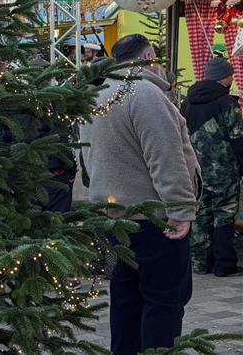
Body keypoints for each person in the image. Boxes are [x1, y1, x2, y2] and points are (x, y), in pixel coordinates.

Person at [79, 34, 200, 354]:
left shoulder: (97, 94)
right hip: (153, 220)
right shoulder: (144, 93)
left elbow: (87, 159)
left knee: (126, 300)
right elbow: (165, 155)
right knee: (164, 301)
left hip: (115, 218)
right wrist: (180, 210)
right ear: (148, 55)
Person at [180, 56, 243, 277]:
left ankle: (199, 264)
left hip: (195, 172)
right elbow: (238, 139)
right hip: (224, 172)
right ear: (225, 78)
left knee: (200, 216)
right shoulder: (228, 104)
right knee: (224, 217)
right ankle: (224, 266)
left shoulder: (186, 103)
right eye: (231, 74)